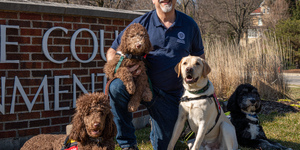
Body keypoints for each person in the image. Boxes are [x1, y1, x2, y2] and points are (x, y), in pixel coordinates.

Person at [106, 0, 205, 149]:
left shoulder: (189, 25)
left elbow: (201, 59)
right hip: (144, 84)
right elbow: (112, 51)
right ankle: (128, 144)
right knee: (116, 87)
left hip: (171, 96)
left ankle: (158, 128)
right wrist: (121, 67)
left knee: (165, 145)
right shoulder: (141, 22)